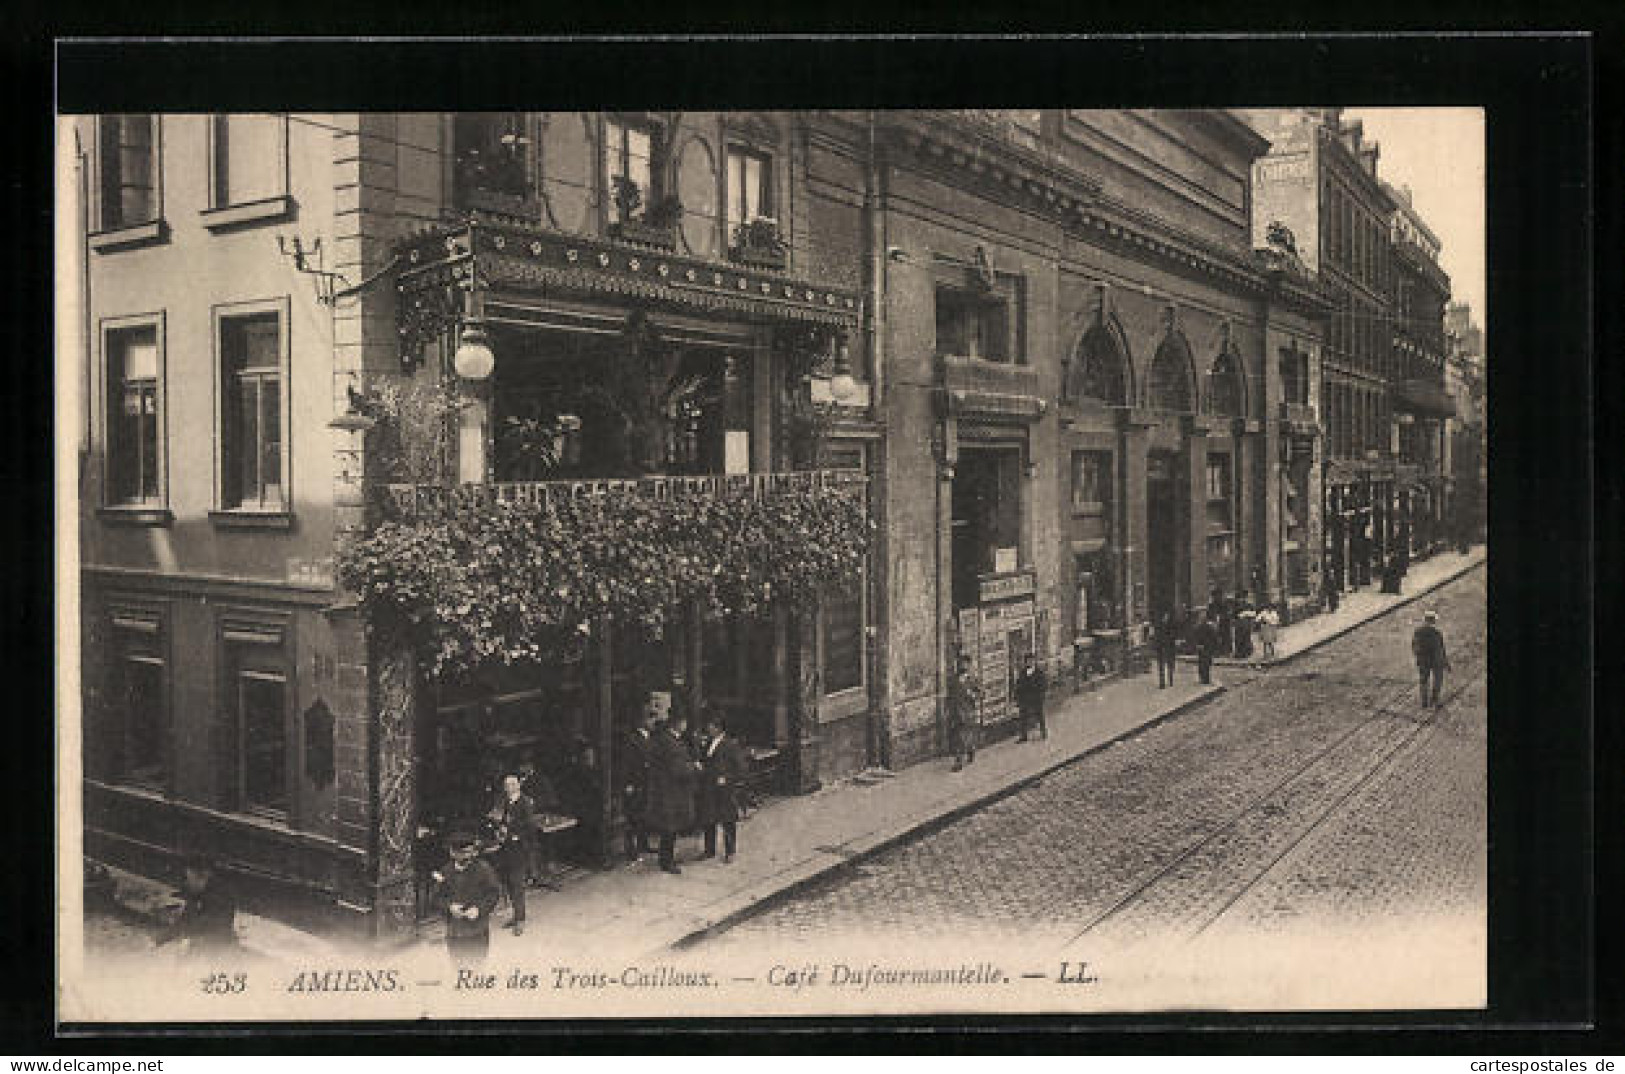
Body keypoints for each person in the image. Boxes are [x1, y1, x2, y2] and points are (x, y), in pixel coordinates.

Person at [431, 829, 502, 965]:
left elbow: (493, 894)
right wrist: (449, 907)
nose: (468, 857)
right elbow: (436, 898)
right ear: (452, 853)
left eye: (470, 852)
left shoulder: (484, 869)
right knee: (458, 968)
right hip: (455, 934)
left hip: (478, 932)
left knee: (477, 968)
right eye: (463, 853)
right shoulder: (445, 872)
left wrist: (479, 909)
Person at [644, 713, 701, 874]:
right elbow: (678, 770)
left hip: (665, 791)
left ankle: (666, 859)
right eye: (684, 722)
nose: (685, 726)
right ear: (677, 724)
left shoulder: (665, 740)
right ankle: (667, 862)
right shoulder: (671, 743)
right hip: (672, 793)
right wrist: (694, 767)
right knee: (670, 828)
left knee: (668, 828)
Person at [485, 773, 538, 935]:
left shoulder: (525, 803)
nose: (509, 788)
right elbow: (505, 821)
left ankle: (520, 920)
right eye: (506, 785)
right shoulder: (508, 802)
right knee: (509, 883)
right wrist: (500, 828)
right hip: (507, 850)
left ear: (518, 786)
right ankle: (515, 916)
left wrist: (514, 835)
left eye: (512, 785)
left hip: (519, 850)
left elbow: (529, 826)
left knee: (517, 885)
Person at [158, 854, 240, 958]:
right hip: (204, 939)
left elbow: (201, 926)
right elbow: (185, 919)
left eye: (189, 879)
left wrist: (185, 939)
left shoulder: (220, 898)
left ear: (204, 877)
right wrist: (160, 939)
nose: (187, 883)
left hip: (218, 946)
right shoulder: (198, 892)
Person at [697, 713, 749, 863]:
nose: (708, 729)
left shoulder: (730, 745)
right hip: (709, 788)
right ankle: (709, 850)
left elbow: (741, 768)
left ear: (719, 728)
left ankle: (730, 851)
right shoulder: (708, 743)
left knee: (728, 821)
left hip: (724, 790)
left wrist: (727, 778)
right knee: (709, 819)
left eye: (711, 726)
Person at [619, 705, 655, 862]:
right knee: (632, 817)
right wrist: (627, 783)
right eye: (650, 718)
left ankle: (643, 844)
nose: (653, 721)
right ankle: (631, 851)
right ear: (642, 721)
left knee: (644, 815)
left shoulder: (650, 737)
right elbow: (626, 763)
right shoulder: (632, 739)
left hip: (647, 782)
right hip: (635, 783)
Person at [1411, 609, 1452, 708]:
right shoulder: (1437, 633)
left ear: (1425, 620)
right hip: (1436, 660)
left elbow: (1414, 646)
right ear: (1433, 621)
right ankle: (1435, 698)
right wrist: (1446, 662)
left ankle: (1424, 701)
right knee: (1438, 679)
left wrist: (1419, 658)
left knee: (1423, 680)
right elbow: (1441, 648)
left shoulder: (1418, 632)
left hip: (1423, 660)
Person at [947, 654, 982, 772]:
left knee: (963, 737)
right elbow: (950, 695)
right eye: (961, 663)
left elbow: (982, 694)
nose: (962, 665)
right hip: (955, 712)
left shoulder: (973, 679)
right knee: (958, 737)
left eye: (965, 663)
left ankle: (959, 761)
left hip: (968, 713)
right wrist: (948, 709)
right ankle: (969, 751)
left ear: (969, 665)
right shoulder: (953, 679)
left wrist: (972, 694)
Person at [1013, 652, 1049, 741]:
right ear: (1025, 662)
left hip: (1036, 697)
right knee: (1023, 717)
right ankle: (1023, 735)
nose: (1030, 663)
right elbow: (1019, 685)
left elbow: (1044, 685)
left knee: (1040, 715)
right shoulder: (1022, 672)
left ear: (1034, 662)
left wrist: (1041, 695)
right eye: (1028, 661)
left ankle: (1043, 732)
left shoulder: (1039, 672)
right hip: (1025, 698)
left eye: (1031, 661)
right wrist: (1017, 697)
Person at [1152, 611, 1179, 689]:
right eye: (1164, 616)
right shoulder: (1158, 627)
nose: (1165, 618)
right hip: (1161, 648)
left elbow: (1173, 637)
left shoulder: (1171, 627)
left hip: (1169, 648)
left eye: (1166, 616)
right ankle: (1162, 683)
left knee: (1169, 665)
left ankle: (1170, 680)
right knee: (1161, 666)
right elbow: (1156, 637)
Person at [1193, 612, 1218, 685]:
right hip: (1204, 647)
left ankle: (1205, 678)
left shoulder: (1207, 627)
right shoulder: (1201, 627)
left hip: (1206, 647)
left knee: (1205, 663)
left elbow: (1213, 638)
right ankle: (1204, 678)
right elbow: (1195, 637)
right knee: (1204, 663)